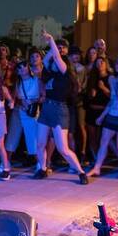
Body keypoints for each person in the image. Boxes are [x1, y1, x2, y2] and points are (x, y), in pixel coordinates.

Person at [34, 31, 88, 184]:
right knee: (40, 143)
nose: (53, 63)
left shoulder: (65, 73)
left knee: (63, 148)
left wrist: (51, 39)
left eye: (56, 62)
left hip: (59, 110)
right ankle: (43, 169)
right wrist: (53, 48)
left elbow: (57, 57)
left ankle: (81, 172)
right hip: (46, 109)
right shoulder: (51, 74)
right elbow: (47, 60)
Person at [88, 55, 118, 179]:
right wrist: (102, 116)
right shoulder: (115, 79)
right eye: (117, 63)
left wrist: (111, 84)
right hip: (112, 114)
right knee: (104, 141)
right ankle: (97, 168)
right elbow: (112, 101)